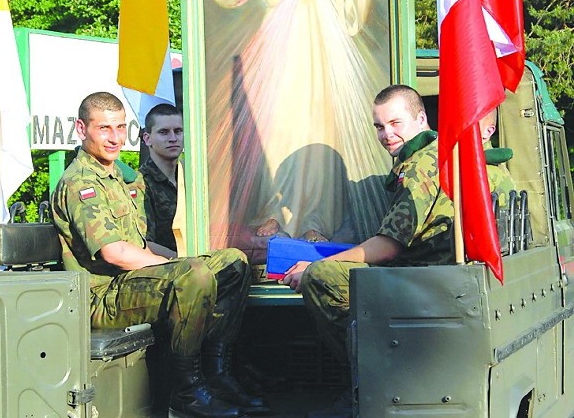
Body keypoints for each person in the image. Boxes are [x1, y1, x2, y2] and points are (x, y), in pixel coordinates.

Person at [283, 85, 514, 418]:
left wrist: (313, 266)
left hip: (427, 287)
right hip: (455, 285)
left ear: (420, 118)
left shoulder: (422, 164)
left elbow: (389, 247)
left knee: (323, 277)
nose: (387, 134)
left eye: (395, 123)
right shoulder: (453, 155)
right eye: (379, 126)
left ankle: (368, 388)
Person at [205, 0, 390, 255]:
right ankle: (276, 211)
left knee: (319, 128)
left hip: (321, 39)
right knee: (277, 124)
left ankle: (316, 221)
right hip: (277, 39)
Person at [51, 91, 269, 418]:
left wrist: (189, 261)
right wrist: (179, 267)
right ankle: (187, 389)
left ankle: (217, 371)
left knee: (233, 262)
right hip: (100, 297)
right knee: (193, 276)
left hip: (131, 283)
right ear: (82, 129)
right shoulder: (80, 182)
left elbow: (143, 243)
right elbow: (115, 253)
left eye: (120, 128)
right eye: (104, 129)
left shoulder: (117, 178)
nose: (114, 138)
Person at [139, 103, 184, 254]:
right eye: (164, 132)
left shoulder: (191, 179)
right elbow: (144, 243)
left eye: (178, 131)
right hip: (166, 269)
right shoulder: (140, 184)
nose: (173, 138)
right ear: (147, 138)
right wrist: (184, 261)